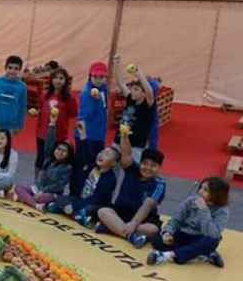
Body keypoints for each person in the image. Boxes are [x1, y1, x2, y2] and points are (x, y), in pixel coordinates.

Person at [96, 135, 166, 248]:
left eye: (153, 166)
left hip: (142, 219)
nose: (148, 168)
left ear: (159, 168)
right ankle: (130, 236)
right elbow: (126, 153)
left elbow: (147, 205)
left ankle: (112, 228)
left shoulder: (160, 184)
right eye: (145, 164)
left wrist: (134, 223)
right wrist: (124, 135)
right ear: (140, 163)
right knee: (103, 211)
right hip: (121, 212)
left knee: (153, 230)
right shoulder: (132, 168)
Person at [148, 177, 229, 268]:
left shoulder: (222, 211)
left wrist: (204, 210)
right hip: (185, 234)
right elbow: (176, 219)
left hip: (202, 237)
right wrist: (167, 233)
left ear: (216, 194)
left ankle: (166, 255)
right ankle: (203, 253)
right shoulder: (191, 201)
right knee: (156, 239)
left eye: (205, 190)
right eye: (201, 187)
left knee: (212, 240)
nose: (200, 192)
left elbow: (212, 233)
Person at [47, 145, 120, 228]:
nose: (101, 155)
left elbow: (96, 199)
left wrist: (74, 205)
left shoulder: (110, 179)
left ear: (113, 163)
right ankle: (76, 215)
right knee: (62, 198)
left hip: (95, 205)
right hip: (80, 199)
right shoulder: (91, 167)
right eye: (101, 152)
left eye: (107, 154)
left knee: (89, 209)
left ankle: (70, 212)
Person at [14, 118, 72, 210]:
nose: (60, 152)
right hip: (38, 188)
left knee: (41, 197)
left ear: (68, 154)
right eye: (58, 149)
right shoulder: (49, 159)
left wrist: (42, 191)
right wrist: (52, 124)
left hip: (52, 193)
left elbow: (58, 186)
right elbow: (49, 141)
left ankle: (27, 199)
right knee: (18, 187)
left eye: (64, 151)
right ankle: (35, 205)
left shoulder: (68, 168)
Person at [72, 61, 110, 196]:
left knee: (95, 168)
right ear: (90, 76)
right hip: (87, 136)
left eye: (101, 77)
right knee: (82, 166)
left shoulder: (104, 90)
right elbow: (83, 116)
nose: (98, 80)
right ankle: (75, 194)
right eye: (95, 77)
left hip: (99, 136)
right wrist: (82, 136)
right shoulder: (88, 93)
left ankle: (89, 194)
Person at [31, 67, 77, 173]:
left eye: (61, 78)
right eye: (55, 78)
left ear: (65, 81)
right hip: (42, 133)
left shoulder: (69, 99)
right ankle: (37, 182)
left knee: (55, 159)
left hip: (59, 135)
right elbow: (41, 110)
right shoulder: (45, 96)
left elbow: (73, 114)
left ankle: (50, 184)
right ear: (51, 80)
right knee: (40, 158)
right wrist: (36, 113)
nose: (58, 80)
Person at [112, 56, 155, 163]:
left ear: (144, 93)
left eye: (136, 89)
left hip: (135, 146)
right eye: (132, 89)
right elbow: (120, 83)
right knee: (113, 168)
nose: (132, 91)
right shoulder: (130, 98)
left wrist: (138, 73)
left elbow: (149, 91)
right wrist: (116, 65)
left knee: (131, 171)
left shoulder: (147, 105)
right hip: (119, 141)